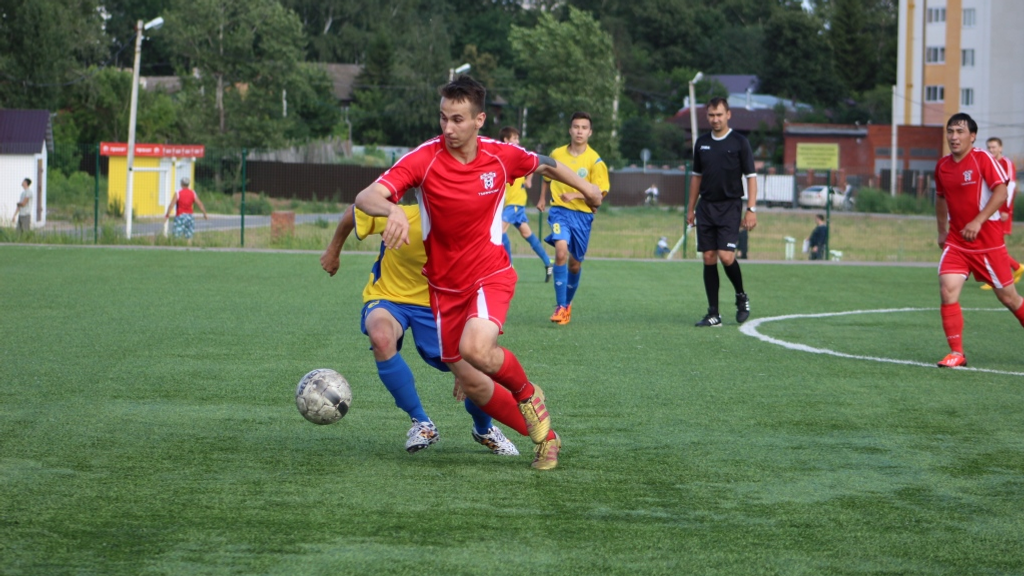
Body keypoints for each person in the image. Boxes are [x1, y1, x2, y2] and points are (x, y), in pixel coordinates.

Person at [353, 75, 602, 470]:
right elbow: (365, 196)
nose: (448, 128)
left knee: (476, 350)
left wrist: (588, 191)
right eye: (443, 118)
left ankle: (527, 394)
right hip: (443, 288)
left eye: (457, 119)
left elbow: (546, 164)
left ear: (479, 120)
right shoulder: (425, 158)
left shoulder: (500, 156)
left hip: (490, 274)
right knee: (472, 380)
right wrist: (392, 209)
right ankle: (546, 438)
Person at [320, 204, 519, 456]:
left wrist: (469, 351)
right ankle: (422, 423)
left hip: (441, 305)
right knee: (381, 337)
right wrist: (333, 251)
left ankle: (484, 429)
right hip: (389, 298)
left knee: (474, 374)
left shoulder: (467, 230)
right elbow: (353, 211)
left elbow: (479, 287)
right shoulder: (399, 215)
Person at [933, 113, 1024, 368]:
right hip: (957, 242)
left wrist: (978, 221)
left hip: (988, 243)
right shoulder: (942, 166)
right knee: (947, 290)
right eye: (950, 131)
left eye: (960, 131)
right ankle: (956, 353)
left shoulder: (982, 158)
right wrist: (941, 231)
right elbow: (940, 198)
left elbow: (1001, 191)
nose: (954, 137)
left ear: (972, 136)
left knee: (1009, 299)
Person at [686, 97, 757, 327]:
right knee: (708, 257)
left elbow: (751, 177)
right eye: (711, 115)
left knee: (726, 256)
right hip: (706, 207)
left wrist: (751, 209)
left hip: (730, 206)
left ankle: (741, 296)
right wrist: (690, 208)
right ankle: (713, 313)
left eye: (719, 114)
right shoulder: (702, 143)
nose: (715, 119)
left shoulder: (739, 142)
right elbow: (696, 178)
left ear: (728, 115)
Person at [536, 111, 611, 325]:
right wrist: (542, 198)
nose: (579, 131)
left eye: (584, 128)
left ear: (590, 132)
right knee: (560, 251)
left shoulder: (595, 161)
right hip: (559, 211)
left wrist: (576, 195)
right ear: (570, 130)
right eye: (576, 127)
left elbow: (600, 193)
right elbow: (547, 175)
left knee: (574, 264)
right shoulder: (557, 154)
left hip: (583, 216)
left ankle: (567, 304)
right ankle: (560, 307)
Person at [498, 126, 553, 282]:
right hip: (511, 203)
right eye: (514, 138)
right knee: (527, 234)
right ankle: (548, 262)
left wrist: (528, 180)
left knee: (498, 231)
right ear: (506, 140)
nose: (517, 141)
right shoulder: (502, 157)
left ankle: (509, 267)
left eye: (517, 138)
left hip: (515, 202)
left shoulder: (517, 155)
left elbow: (534, 160)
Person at [981, 137, 1023, 289]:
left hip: (1001, 211)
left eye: (994, 147)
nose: (991, 149)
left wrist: (1005, 210)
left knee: (994, 245)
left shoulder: (1007, 163)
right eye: (989, 147)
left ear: (1001, 148)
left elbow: (1010, 187)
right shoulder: (988, 163)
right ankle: (1016, 267)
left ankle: (999, 277)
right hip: (991, 210)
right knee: (990, 244)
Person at [164, 177, 208, 244]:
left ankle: (177, 246)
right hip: (190, 216)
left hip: (180, 216)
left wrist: (167, 215)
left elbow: (171, 205)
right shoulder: (192, 193)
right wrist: (204, 214)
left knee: (177, 235)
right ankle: (188, 247)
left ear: (181, 184)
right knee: (189, 235)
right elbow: (200, 204)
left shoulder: (178, 193)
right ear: (188, 184)